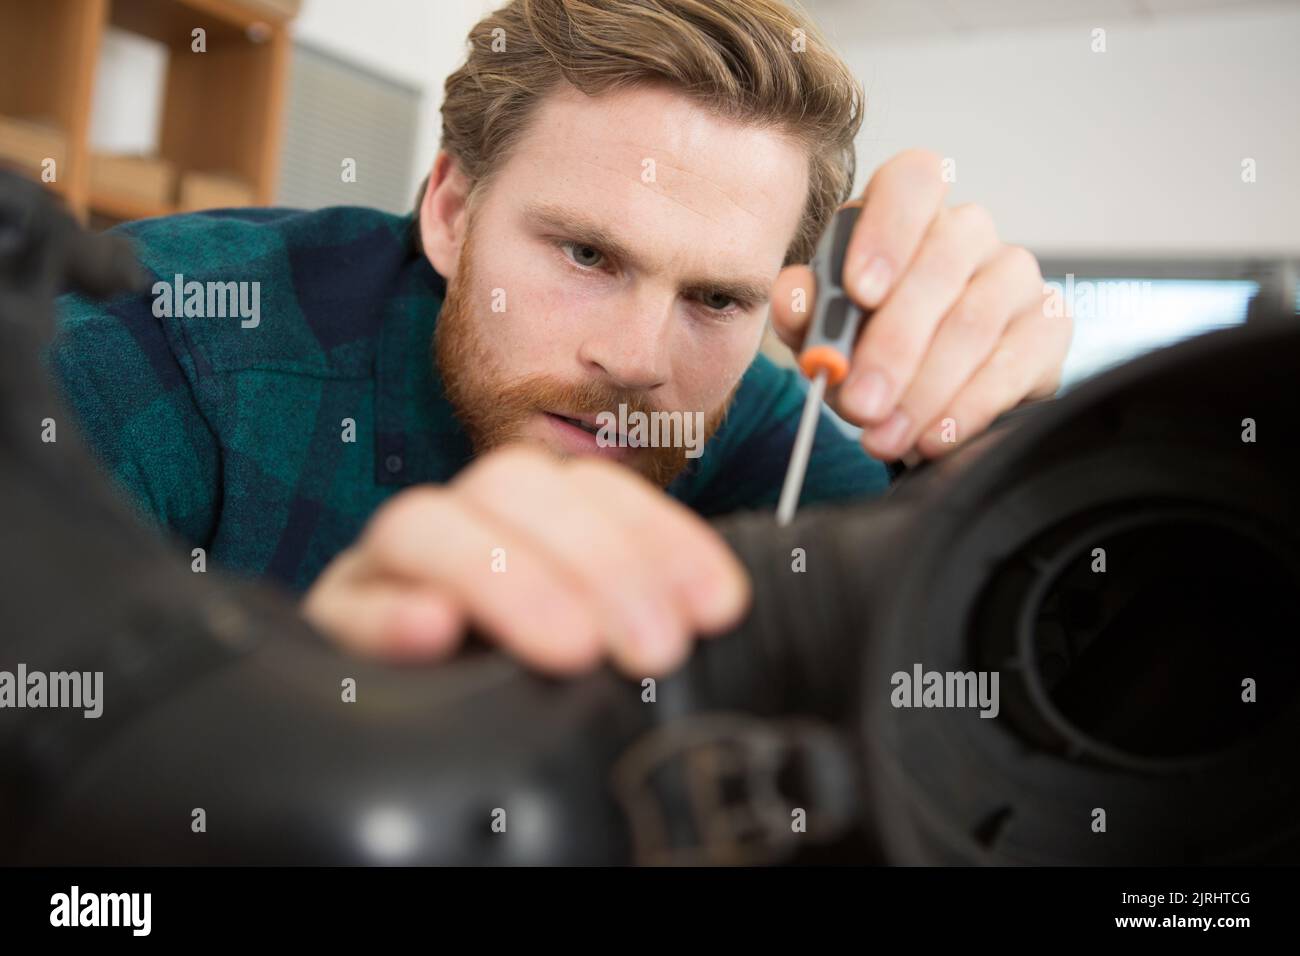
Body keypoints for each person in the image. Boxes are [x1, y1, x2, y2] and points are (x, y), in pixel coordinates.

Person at [49, 0, 1070, 680]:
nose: (637, 360)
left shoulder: (771, 439)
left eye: (715, 298)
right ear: (450, 208)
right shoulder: (157, 344)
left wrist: (1007, 468)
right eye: (586, 254)